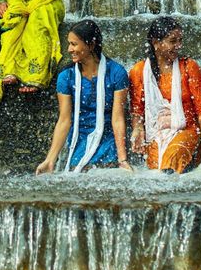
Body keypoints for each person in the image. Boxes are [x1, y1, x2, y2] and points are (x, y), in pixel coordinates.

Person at [36, 20, 131, 174]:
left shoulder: (116, 73)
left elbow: (118, 118)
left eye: (74, 44)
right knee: (78, 173)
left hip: (107, 139)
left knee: (106, 173)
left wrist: (123, 159)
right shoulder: (66, 76)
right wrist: (50, 160)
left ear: (91, 45)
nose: (69, 49)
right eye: (69, 44)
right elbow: (64, 120)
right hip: (79, 138)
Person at [129, 17, 201, 174]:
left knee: (172, 157)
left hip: (187, 131)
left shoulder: (189, 67)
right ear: (155, 42)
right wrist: (137, 130)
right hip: (155, 133)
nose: (178, 46)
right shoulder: (139, 71)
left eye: (180, 40)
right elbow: (137, 111)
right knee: (155, 170)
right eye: (173, 41)